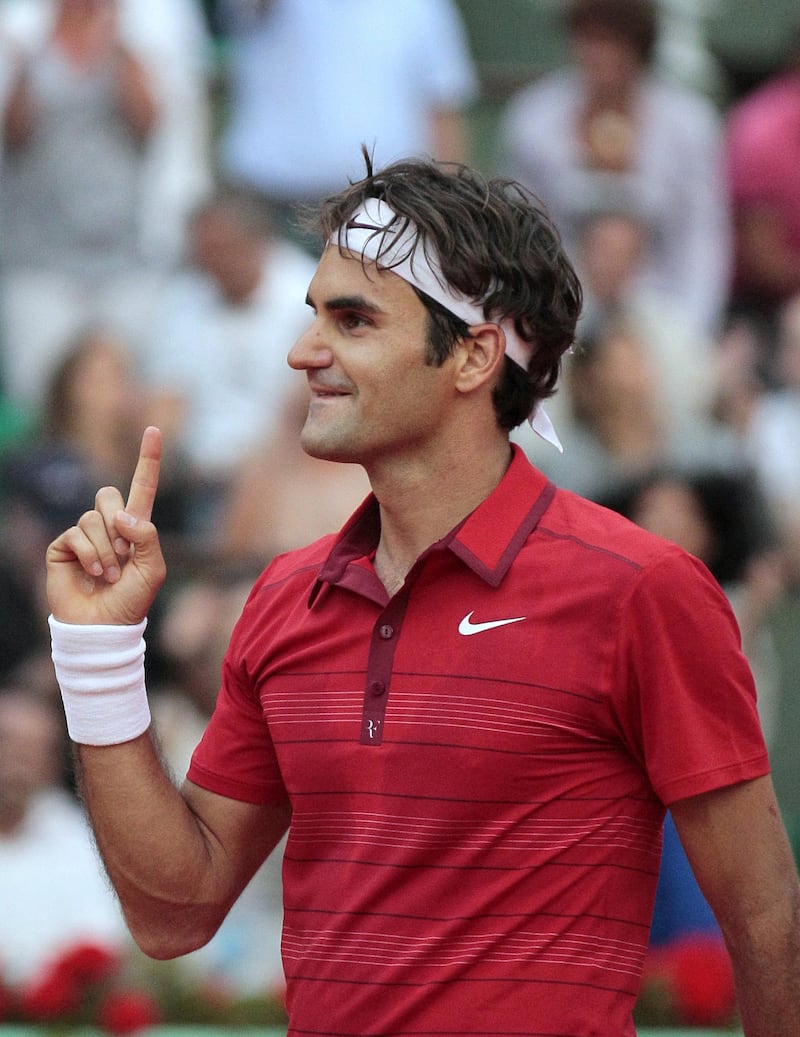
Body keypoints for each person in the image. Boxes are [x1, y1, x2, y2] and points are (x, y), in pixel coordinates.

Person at [44, 152, 800, 1036]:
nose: (303, 352)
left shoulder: (644, 591)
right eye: (313, 315)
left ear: (474, 355)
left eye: (353, 320)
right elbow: (172, 912)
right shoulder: (283, 598)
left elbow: (763, 917)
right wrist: (96, 653)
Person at [501, 0, 731, 337]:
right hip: (555, 308)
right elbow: (517, 234)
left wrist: (689, 333)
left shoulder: (690, 125)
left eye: (613, 42)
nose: (601, 55)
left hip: (663, 309)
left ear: (639, 47)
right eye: (590, 40)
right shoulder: (532, 118)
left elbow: (701, 239)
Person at [214, 0, 478, 249]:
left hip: (384, 209)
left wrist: (445, 212)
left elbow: (443, 107)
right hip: (271, 204)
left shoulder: (421, 6)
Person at [0, 690, 127, 983]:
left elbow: (101, 939)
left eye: (32, 752)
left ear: (52, 765)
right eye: (9, 746)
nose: (17, 765)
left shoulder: (82, 839)